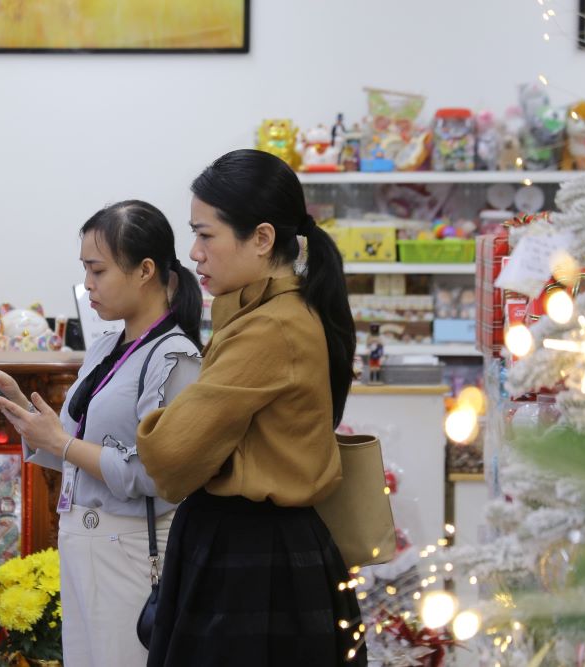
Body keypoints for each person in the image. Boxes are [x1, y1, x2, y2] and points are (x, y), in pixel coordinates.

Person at [135, 149, 367, 666]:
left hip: (251, 555)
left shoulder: (270, 327)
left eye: (206, 234)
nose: (193, 252)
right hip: (259, 544)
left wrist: (158, 423)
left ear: (262, 238)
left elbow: (169, 457)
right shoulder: (268, 312)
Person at [0, 200, 202, 667]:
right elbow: (69, 449)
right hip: (81, 541)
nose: (88, 284)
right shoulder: (109, 347)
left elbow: (155, 474)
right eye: (85, 270)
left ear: (145, 270)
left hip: (131, 548)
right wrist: (15, 405)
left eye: (98, 270)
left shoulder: (175, 357)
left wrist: (62, 442)